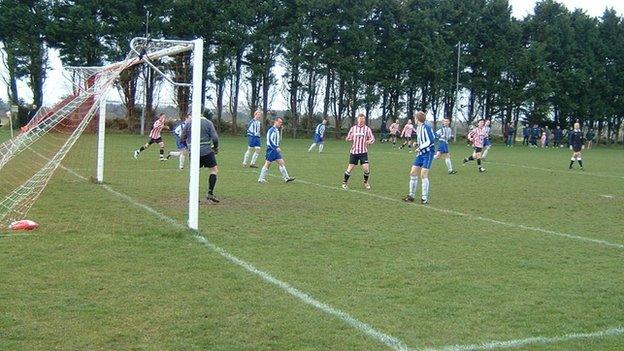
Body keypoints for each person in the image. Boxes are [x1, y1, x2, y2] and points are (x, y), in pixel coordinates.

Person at [181, 114, 220, 203]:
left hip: (194, 152)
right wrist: (215, 148)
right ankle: (210, 194)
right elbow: (215, 138)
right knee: (214, 170)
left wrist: (188, 147)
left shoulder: (189, 123)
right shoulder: (208, 123)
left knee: (193, 174)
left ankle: (193, 196)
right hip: (207, 151)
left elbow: (182, 138)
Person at [404, 111, 436, 204]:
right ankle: (411, 195)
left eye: (415, 118)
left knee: (423, 174)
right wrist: (417, 143)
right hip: (421, 153)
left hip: (428, 153)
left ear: (418, 119)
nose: (414, 119)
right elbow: (423, 139)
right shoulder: (418, 128)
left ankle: (424, 198)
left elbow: (431, 140)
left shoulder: (427, 127)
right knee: (413, 172)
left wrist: (420, 147)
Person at [342, 113, 375, 190]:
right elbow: (349, 138)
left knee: (366, 168)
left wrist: (370, 141)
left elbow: (372, 138)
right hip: (354, 152)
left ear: (364, 120)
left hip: (363, 152)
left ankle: (366, 182)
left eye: (363, 119)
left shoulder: (367, 129)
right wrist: (347, 139)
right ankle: (344, 183)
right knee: (350, 168)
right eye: (360, 119)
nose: (361, 120)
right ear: (357, 120)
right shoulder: (353, 128)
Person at [258, 117, 295, 183]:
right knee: (267, 164)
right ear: (275, 122)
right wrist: (275, 147)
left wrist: (281, 132)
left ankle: (286, 178)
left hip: (275, 150)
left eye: (281, 122)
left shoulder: (277, 130)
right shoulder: (271, 130)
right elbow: (269, 140)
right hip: (271, 150)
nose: (280, 123)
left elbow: (278, 140)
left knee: (282, 163)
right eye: (279, 122)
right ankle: (261, 179)